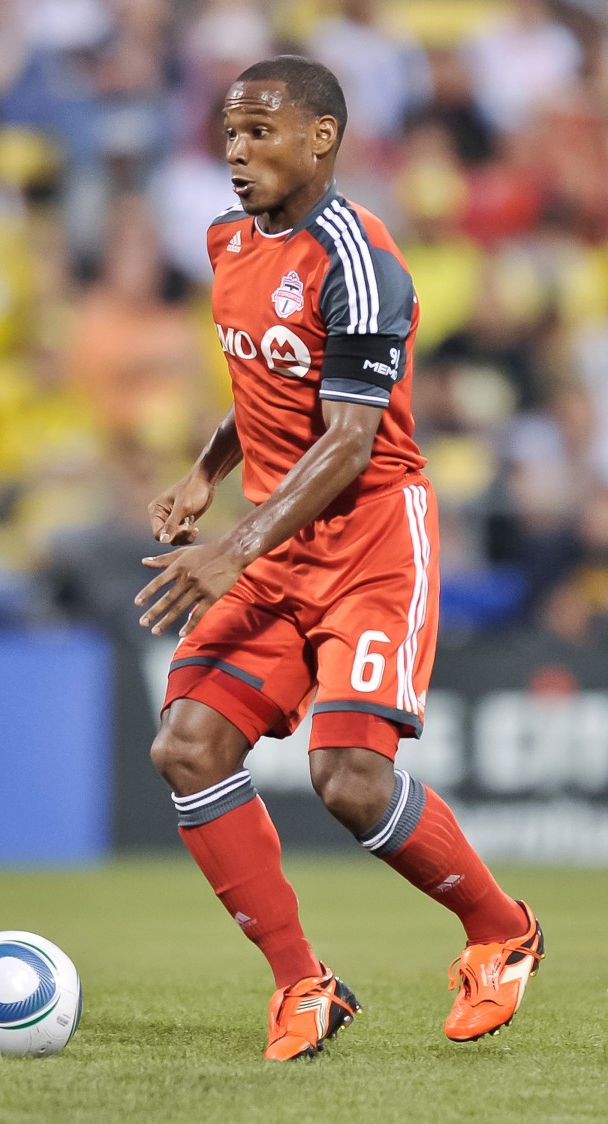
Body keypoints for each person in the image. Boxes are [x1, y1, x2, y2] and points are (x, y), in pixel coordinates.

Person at [134, 55, 544, 1062]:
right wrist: (204, 471)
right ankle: (301, 985)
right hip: (278, 536)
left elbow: (351, 436)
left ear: (320, 139)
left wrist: (233, 543)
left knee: (351, 778)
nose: (237, 152)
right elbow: (264, 376)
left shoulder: (361, 259)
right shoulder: (229, 241)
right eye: (230, 133)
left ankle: (501, 930)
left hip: (367, 539)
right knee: (189, 745)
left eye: (261, 131)